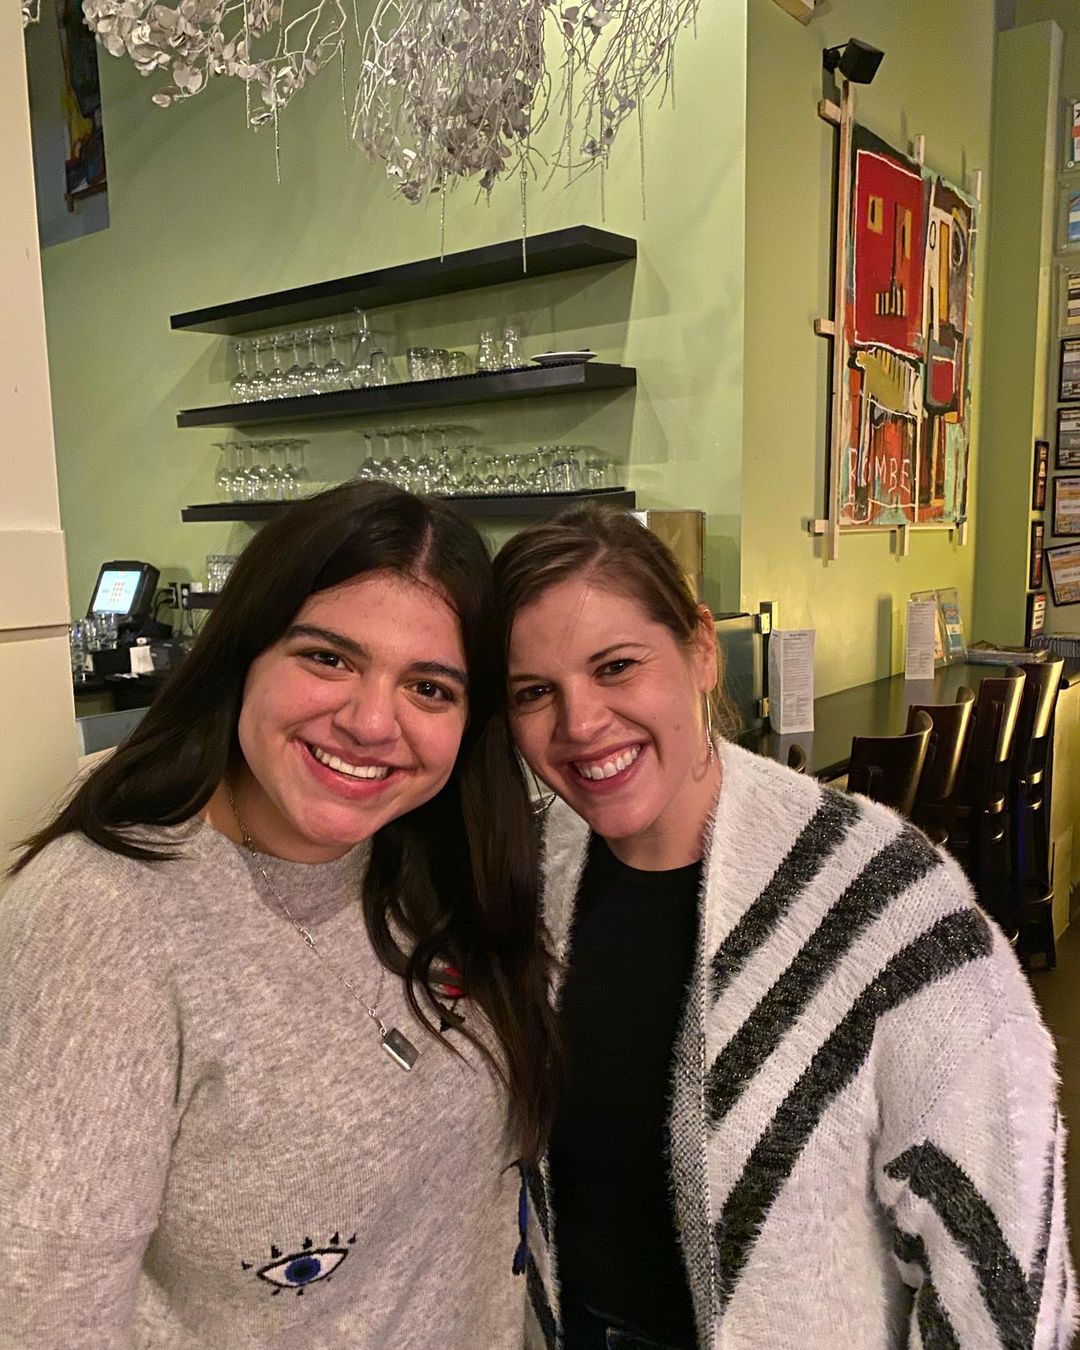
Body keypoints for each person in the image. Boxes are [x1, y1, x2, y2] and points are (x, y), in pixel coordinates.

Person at [495, 504, 1076, 1350]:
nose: (579, 723)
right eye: (533, 692)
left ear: (700, 650)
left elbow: (1003, 1271)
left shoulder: (884, 898)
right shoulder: (531, 877)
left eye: (616, 666)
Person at [0, 482, 557, 1349]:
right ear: (244, 653)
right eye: (328, 658)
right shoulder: (102, 922)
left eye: (429, 687)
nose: (371, 722)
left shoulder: (434, 855)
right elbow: (44, 1315)